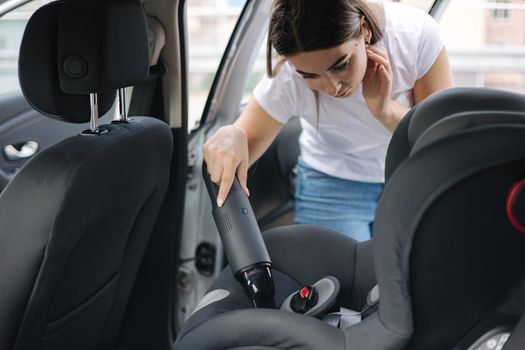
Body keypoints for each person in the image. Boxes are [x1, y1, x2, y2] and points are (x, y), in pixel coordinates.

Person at [203, 0, 454, 241]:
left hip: (410, 177)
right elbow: (241, 142)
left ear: (364, 30)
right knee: (342, 282)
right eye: (310, 75)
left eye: (341, 65)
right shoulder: (287, 78)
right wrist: (233, 135)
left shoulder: (415, 36)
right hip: (331, 184)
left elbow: (440, 140)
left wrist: (384, 109)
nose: (332, 87)